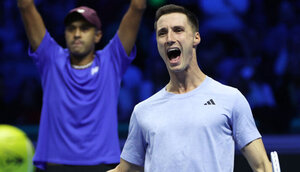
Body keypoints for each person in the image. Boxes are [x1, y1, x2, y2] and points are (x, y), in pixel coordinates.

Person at [109, 4, 272, 172]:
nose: (169, 38)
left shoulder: (230, 98)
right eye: (162, 33)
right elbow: (125, 170)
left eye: (178, 30)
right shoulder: (143, 111)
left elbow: (262, 166)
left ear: (196, 38)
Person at [17, 0, 146, 171]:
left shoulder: (112, 59)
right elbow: (25, 6)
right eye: (71, 29)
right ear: (65, 34)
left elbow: (138, 7)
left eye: (84, 29)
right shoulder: (51, 58)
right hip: (57, 167)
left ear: (98, 35)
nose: (77, 34)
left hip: (102, 166)